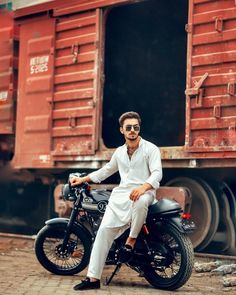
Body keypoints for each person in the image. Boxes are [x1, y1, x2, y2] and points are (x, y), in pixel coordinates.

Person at [70, 111, 162, 291]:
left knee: (141, 201)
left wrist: (143, 187)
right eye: (129, 128)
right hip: (121, 197)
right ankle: (93, 279)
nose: (133, 130)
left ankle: (131, 242)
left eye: (136, 127)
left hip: (146, 192)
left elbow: (157, 173)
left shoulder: (151, 149)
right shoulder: (119, 152)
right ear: (122, 130)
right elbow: (105, 171)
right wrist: (83, 179)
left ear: (139, 129)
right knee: (103, 232)